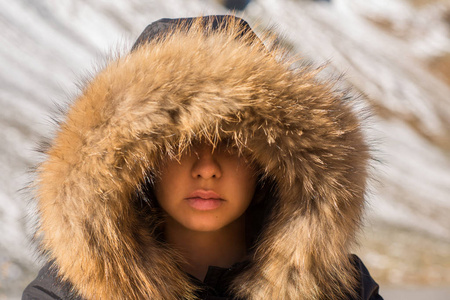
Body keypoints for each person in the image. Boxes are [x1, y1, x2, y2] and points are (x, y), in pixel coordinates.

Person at [23, 15, 382, 299]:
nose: (207, 169)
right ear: (139, 158)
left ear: (268, 161)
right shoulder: (66, 293)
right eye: (182, 145)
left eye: (234, 144)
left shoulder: (344, 290)